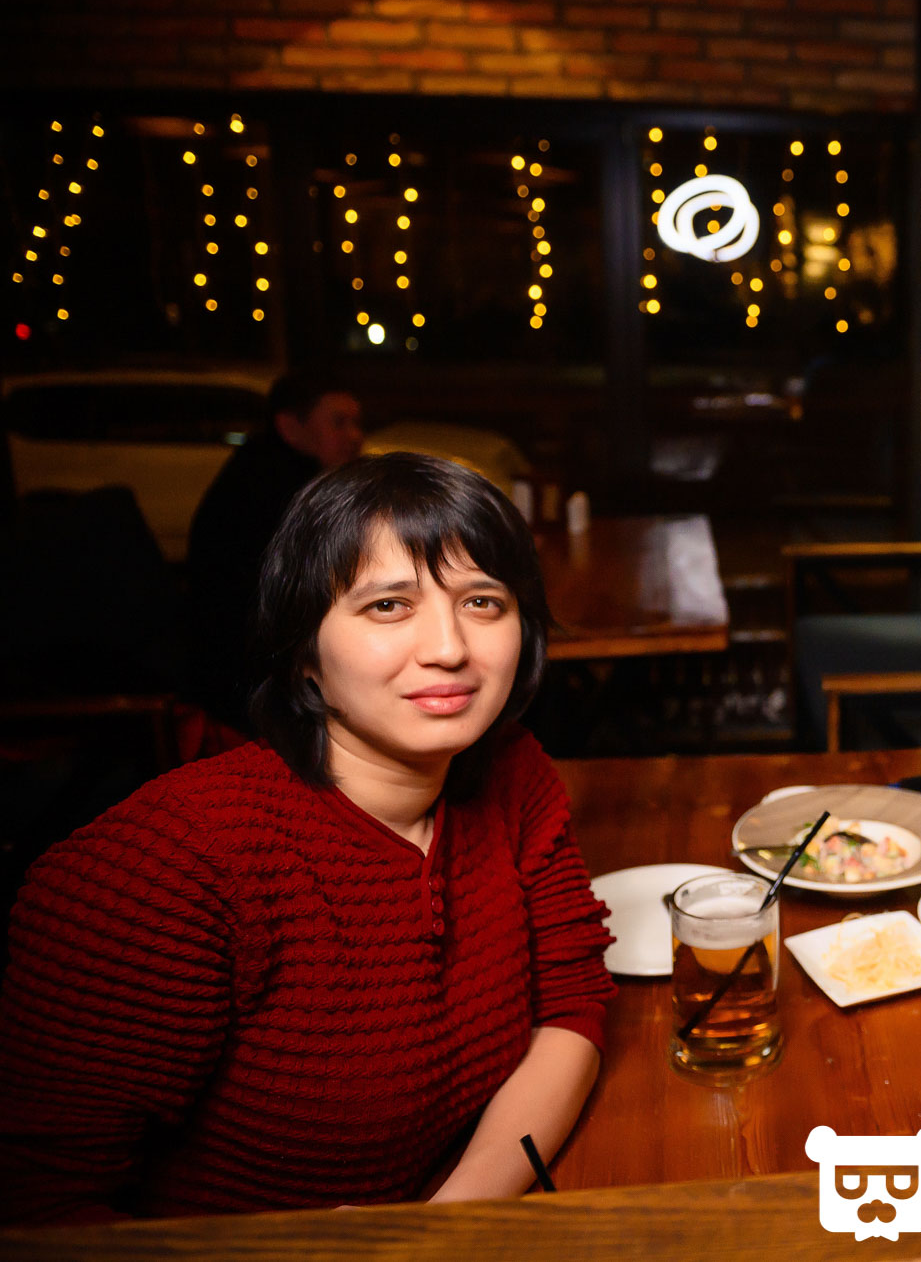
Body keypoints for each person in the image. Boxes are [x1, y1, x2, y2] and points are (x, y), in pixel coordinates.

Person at [0, 453, 614, 1223]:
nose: (450, 647)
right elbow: (39, 1208)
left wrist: (442, 1227)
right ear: (304, 656)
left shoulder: (514, 772)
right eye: (388, 605)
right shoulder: (167, 870)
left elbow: (571, 1007)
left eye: (483, 601)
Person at [186, 372, 365, 735]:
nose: (354, 436)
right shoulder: (277, 489)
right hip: (250, 685)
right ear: (290, 427)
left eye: (356, 423)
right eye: (338, 423)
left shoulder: (282, 471)